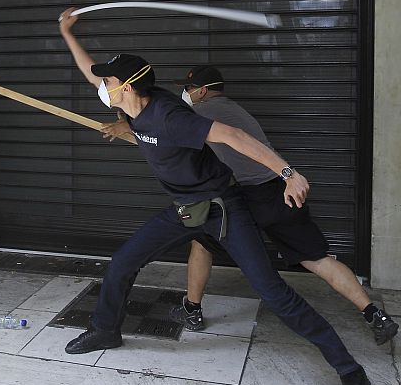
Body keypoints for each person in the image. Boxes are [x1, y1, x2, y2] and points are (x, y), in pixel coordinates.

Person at [58, 8, 373, 385]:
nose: (102, 86)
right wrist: (67, 33)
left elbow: (235, 136)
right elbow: (90, 73)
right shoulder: (133, 106)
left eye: (110, 81)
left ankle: (350, 371)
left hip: (223, 209)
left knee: (273, 292)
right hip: (184, 209)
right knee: (121, 264)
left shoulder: (171, 117)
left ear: (129, 87)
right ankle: (105, 330)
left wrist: (288, 172)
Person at [166, 66, 395, 344]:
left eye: (188, 89)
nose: (185, 94)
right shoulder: (235, 111)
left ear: (201, 91)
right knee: (316, 257)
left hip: (243, 197)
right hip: (278, 191)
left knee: (202, 245)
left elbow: (161, 133)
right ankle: (374, 315)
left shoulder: (201, 113)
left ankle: (192, 310)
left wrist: (126, 126)